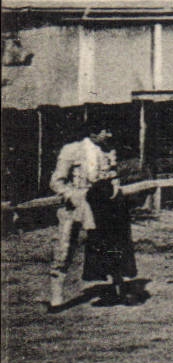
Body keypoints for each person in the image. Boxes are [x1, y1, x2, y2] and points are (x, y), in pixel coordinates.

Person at [47, 119, 135, 310]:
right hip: (78, 203)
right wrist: (72, 196)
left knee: (111, 243)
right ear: (93, 132)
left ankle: (118, 288)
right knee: (65, 246)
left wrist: (114, 190)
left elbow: (113, 177)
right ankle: (56, 296)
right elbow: (56, 181)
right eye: (105, 130)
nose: (109, 135)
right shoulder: (72, 150)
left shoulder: (108, 150)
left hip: (104, 205)